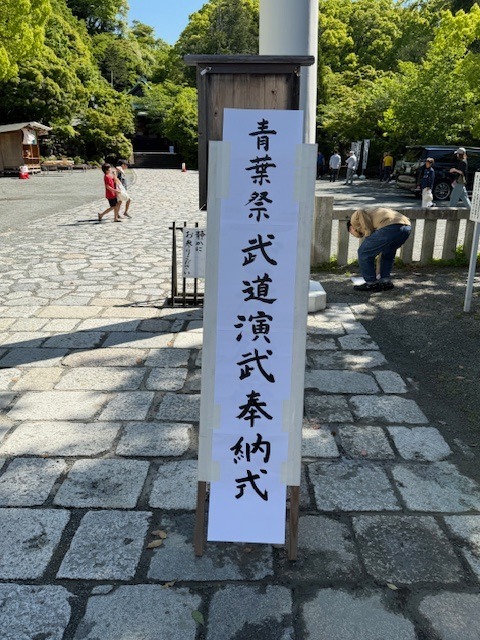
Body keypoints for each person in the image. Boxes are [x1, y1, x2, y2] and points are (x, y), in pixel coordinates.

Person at [347, 207, 412, 291]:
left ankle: (371, 283)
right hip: (406, 227)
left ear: (351, 228)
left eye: (352, 234)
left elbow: (360, 212)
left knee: (364, 252)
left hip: (390, 226)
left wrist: (368, 234)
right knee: (387, 254)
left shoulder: (353, 220)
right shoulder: (375, 220)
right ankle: (385, 281)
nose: (355, 236)